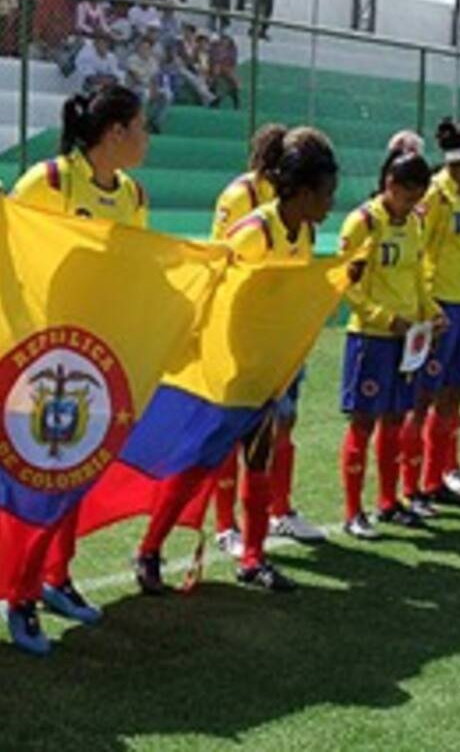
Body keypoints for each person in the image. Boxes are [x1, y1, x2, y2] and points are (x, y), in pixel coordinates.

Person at [0, 86, 148, 655]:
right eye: (141, 126)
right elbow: (5, 247)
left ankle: (56, 577)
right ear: (115, 132)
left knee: (76, 471)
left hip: (95, 357)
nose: (147, 138)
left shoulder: (133, 195)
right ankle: (19, 597)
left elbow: (137, 267)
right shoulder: (48, 182)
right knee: (37, 478)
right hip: (41, 357)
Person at [135, 127, 340, 594]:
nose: (331, 203)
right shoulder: (253, 233)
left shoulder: (305, 232)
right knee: (198, 464)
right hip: (231, 373)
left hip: (269, 370)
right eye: (327, 193)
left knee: (260, 461)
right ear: (303, 191)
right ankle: (148, 551)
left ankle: (252, 558)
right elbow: (217, 290)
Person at [339, 149, 436, 539]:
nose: (413, 204)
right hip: (371, 338)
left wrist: (431, 312)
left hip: (407, 339)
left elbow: (416, 277)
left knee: (396, 419)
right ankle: (352, 512)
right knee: (363, 422)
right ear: (390, 185)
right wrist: (384, 318)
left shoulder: (413, 223)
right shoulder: (363, 222)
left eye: (418, 198)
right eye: (409, 196)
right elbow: (347, 285)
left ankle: (388, 502)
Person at [207, 124, 287, 556]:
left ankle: (279, 510)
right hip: (239, 328)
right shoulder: (240, 197)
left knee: (280, 422)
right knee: (233, 430)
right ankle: (225, 525)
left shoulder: (288, 200)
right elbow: (221, 256)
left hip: (277, 331)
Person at [407, 118, 460, 508]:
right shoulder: (435, 195)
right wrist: (427, 309)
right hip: (438, 309)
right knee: (423, 397)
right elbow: (416, 253)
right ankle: (410, 487)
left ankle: (435, 478)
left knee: (454, 395)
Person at [126, 36, 171, 134]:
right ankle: (141, 124)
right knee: (145, 93)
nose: (144, 50)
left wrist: (154, 88)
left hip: (149, 87)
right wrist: (150, 87)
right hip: (133, 88)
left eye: (147, 48)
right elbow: (136, 78)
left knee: (167, 95)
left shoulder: (153, 61)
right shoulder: (132, 59)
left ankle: (155, 122)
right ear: (138, 48)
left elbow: (154, 78)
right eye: (142, 48)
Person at [208, 32, 240, 109]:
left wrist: (225, 66)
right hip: (216, 68)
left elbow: (232, 61)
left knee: (231, 83)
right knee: (219, 79)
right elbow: (213, 60)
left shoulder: (232, 49)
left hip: (227, 68)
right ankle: (215, 99)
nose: (224, 41)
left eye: (226, 40)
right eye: (223, 39)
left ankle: (232, 99)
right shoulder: (215, 48)